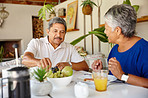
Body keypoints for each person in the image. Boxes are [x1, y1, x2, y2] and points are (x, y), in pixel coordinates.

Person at [91, 4, 148, 88]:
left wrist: (122, 75)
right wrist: (100, 72)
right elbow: (116, 79)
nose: (105, 32)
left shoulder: (144, 49)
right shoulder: (114, 50)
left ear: (117, 30)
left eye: (106, 29)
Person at [22, 17, 89, 71]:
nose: (58, 35)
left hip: (61, 83)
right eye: (55, 31)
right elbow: (25, 60)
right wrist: (38, 62)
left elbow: (85, 66)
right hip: (40, 82)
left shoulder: (69, 47)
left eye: (62, 32)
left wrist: (69, 64)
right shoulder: (36, 43)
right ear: (48, 31)